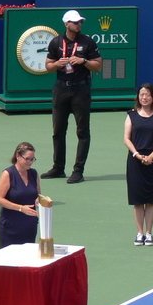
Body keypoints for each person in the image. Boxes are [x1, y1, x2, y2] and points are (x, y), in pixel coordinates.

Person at [42, 10, 102, 184]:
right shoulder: (55, 42)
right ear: (66, 24)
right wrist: (56, 64)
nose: (79, 24)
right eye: (75, 22)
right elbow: (48, 66)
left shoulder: (88, 42)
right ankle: (58, 168)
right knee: (58, 131)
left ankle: (78, 171)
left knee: (83, 132)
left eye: (80, 22)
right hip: (61, 90)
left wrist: (83, 61)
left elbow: (98, 66)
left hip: (81, 91)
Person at [124, 83, 153, 247]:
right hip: (135, 161)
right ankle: (139, 233)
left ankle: (149, 233)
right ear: (138, 97)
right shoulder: (131, 115)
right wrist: (137, 154)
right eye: (142, 94)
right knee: (137, 200)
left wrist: (150, 157)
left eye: (148, 95)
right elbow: (127, 138)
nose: (144, 97)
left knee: (150, 200)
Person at [0, 142, 40, 248]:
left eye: (32, 159)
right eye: (27, 159)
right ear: (18, 156)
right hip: (11, 226)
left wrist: (39, 200)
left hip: (29, 225)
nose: (30, 162)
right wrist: (21, 208)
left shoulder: (34, 174)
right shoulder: (8, 174)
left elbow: (38, 194)